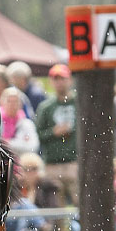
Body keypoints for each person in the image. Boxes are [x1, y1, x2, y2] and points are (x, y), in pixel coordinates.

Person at [35, 63, 78, 206]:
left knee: (82, 204)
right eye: (56, 79)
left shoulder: (79, 103)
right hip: (52, 163)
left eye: (63, 79)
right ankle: (60, 230)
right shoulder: (46, 107)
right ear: (51, 82)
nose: (59, 82)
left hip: (75, 161)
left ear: (70, 80)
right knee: (56, 209)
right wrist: (53, 132)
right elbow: (39, 135)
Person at [0, 87, 39, 158]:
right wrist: (21, 143)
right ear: (2, 103)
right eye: (9, 101)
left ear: (20, 104)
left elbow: (33, 147)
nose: (12, 104)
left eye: (15, 101)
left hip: (22, 164)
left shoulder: (27, 124)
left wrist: (7, 143)